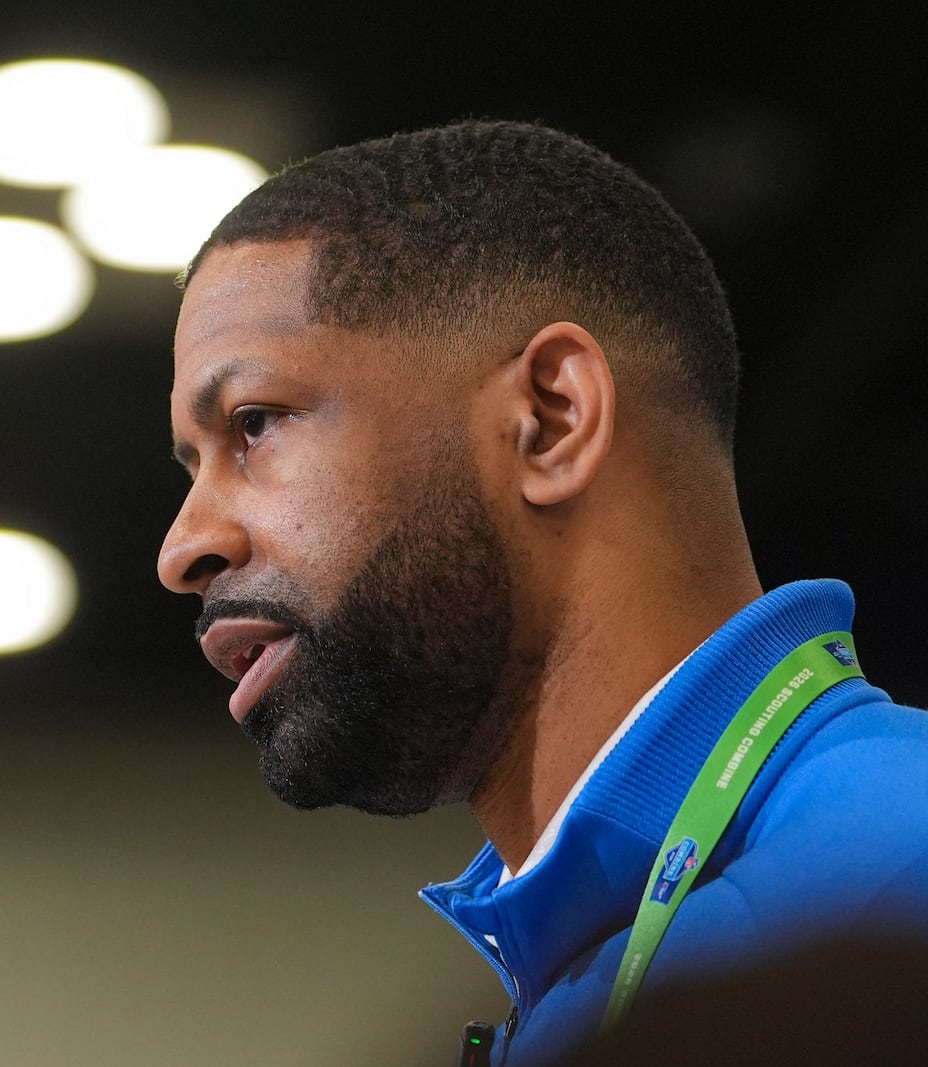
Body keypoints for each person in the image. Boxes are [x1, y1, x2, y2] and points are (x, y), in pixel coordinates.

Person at [155, 119, 928, 1066]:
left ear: (550, 420)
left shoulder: (906, 861)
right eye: (192, 465)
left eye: (254, 423)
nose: (183, 545)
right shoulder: (583, 966)